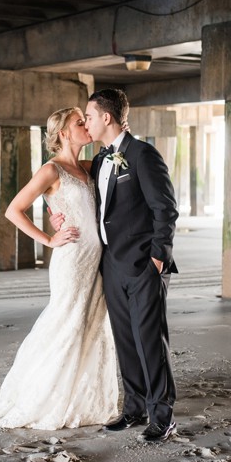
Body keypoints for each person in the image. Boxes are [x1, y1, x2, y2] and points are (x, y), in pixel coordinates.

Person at [51, 89, 179, 442]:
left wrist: (157, 258)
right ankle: (135, 409)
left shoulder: (142, 155)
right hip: (110, 265)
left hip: (143, 266)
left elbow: (165, 209)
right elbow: (82, 200)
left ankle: (162, 415)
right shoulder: (103, 159)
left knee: (150, 341)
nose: (87, 123)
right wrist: (56, 218)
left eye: (89, 116)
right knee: (125, 340)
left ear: (106, 117)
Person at [0, 107, 119, 430]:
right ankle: (43, 395)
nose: (86, 126)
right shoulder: (51, 171)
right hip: (71, 260)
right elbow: (13, 210)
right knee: (66, 322)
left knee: (92, 324)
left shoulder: (89, 168)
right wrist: (48, 238)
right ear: (63, 133)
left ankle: (81, 397)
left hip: (95, 262)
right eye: (79, 122)